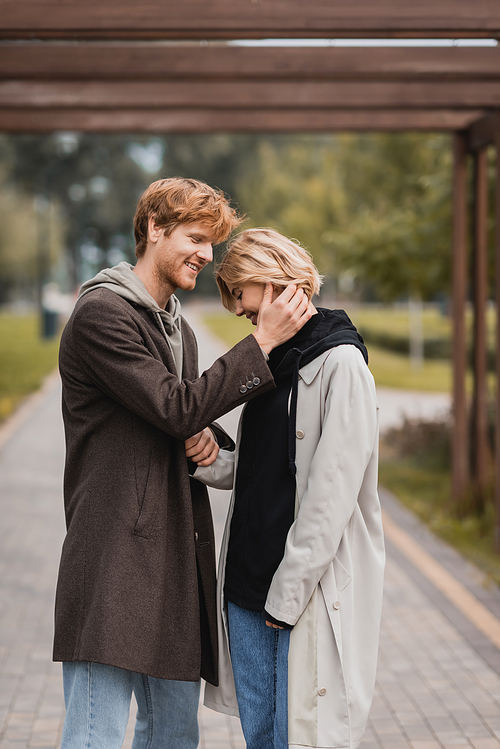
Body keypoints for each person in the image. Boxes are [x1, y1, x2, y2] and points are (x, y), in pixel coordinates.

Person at [53, 180, 312, 749]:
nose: (206, 255)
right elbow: (174, 407)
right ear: (153, 229)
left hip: (173, 557)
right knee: (94, 734)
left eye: (212, 243)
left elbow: (182, 410)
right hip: (114, 560)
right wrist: (261, 342)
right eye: (196, 238)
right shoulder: (102, 315)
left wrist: (207, 436)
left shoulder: (177, 327)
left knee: (174, 735)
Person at [191, 228, 385, 749]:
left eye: (253, 310)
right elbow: (263, 466)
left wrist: (287, 597)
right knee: (262, 738)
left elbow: (330, 498)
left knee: (295, 739)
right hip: (246, 588)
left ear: (281, 284)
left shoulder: (341, 361)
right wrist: (209, 457)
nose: (254, 324)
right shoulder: (272, 358)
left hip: (297, 596)